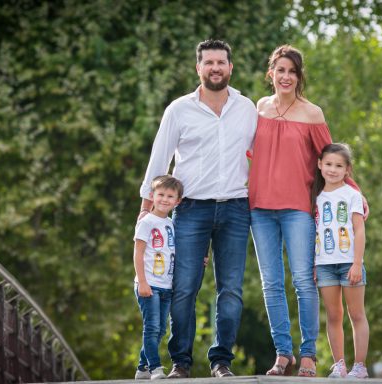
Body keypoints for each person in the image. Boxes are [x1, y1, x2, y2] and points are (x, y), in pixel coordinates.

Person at [138, 39, 257, 379]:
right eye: (209, 62)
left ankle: (221, 361)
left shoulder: (247, 108)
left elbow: (265, 155)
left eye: (221, 62)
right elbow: (159, 159)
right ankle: (181, 362)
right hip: (190, 210)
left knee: (231, 289)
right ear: (199, 68)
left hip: (236, 208)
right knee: (183, 288)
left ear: (230, 68)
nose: (215, 68)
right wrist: (147, 207)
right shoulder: (179, 109)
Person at [248, 45, 365, 377]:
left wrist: (354, 191)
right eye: (280, 70)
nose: (286, 77)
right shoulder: (259, 108)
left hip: (298, 208)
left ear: (299, 77)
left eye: (292, 72)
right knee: (271, 283)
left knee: (303, 280)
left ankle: (309, 355)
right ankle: (283, 354)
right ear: (271, 74)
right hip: (259, 207)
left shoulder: (312, 114)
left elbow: (333, 159)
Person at [313, 143, 369, 379]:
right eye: (328, 164)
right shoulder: (315, 196)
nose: (332, 169)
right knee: (333, 316)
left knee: (356, 314)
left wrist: (357, 263)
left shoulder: (352, 195)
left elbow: (359, 230)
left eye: (338, 165)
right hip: (324, 264)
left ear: (347, 169)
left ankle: (360, 366)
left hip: (349, 263)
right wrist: (313, 265)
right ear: (319, 165)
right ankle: (339, 365)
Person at [134, 175, 184, 380]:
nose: (164, 199)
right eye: (160, 194)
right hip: (149, 284)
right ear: (152, 196)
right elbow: (138, 253)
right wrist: (143, 282)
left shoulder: (171, 223)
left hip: (166, 285)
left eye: (170, 196)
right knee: (152, 327)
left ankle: (142, 368)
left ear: (177, 201)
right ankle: (155, 368)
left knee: (161, 329)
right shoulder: (146, 222)